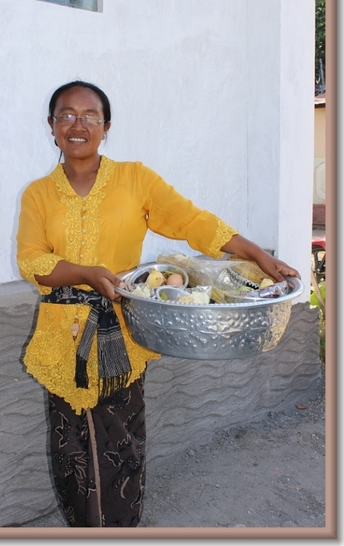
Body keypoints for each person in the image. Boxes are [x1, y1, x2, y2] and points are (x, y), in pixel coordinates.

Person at [16, 80, 300, 528]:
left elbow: (192, 221)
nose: (77, 125)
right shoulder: (38, 194)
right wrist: (85, 273)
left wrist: (257, 255)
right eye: (66, 115)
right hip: (60, 338)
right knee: (70, 447)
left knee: (120, 444)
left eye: (90, 116)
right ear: (51, 126)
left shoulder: (135, 179)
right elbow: (31, 260)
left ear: (107, 127)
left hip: (119, 336)